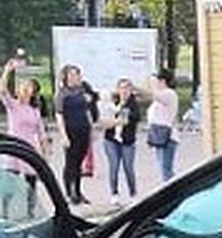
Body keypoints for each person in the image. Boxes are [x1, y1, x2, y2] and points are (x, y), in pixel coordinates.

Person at [0, 55, 47, 218]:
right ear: (18, 90)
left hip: (29, 150)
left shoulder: (34, 111)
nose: (26, 88)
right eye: (24, 86)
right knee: (10, 185)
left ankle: (30, 213)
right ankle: (4, 213)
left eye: (30, 87)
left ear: (33, 92)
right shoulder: (13, 105)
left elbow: (41, 134)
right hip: (15, 151)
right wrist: (7, 70)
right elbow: (2, 90)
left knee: (31, 185)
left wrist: (44, 153)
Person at [54, 64, 98, 206]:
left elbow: (87, 112)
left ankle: (78, 192)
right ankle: (69, 193)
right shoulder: (62, 93)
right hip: (70, 131)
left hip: (83, 130)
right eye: (71, 75)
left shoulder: (81, 91)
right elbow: (59, 116)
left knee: (79, 163)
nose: (74, 78)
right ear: (65, 77)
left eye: (77, 75)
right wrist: (64, 135)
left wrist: (92, 130)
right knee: (70, 163)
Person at [100, 77, 141, 204]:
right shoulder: (112, 103)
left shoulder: (133, 104)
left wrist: (115, 121)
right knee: (114, 166)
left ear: (131, 90)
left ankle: (133, 193)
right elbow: (103, 122)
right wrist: (115, 121)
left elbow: (131, 119)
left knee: (128, 167)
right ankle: (114, 193)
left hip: (128, 141)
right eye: (122, 88)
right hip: (110, 140)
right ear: (117, 90)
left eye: (127, 88)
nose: (124, 91)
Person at [147, 68, 180, 183]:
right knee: (163, 168)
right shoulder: (162, 95)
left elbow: (156, 96)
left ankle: (172, 191)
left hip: (168, 136)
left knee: (166, 169)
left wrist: (152, 84)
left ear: (163, 80)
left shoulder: (169, 93)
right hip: (158, 134)